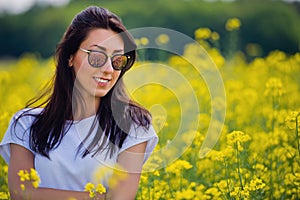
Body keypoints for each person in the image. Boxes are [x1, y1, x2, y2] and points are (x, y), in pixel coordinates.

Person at [0, 6, 158, 200]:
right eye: (97, 56)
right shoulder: (26, 125)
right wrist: (98, 197)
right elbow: (20, 194)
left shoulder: (133, 126)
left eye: (118, 60)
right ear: (70, 57)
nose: (109, 69)